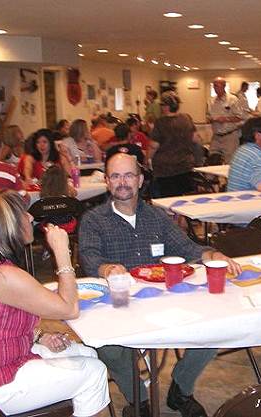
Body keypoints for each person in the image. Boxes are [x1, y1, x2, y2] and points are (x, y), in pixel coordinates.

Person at [79, 154, 240, 417]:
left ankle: (181, 389)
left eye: (129, 175)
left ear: (140, 180)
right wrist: (106, 268)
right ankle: (140, 401)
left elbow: (187, 248)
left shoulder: (157, 216)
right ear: (107, 182)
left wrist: (213, 255)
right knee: (107, 345)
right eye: (116, 176)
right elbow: (89, 258)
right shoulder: (93, 220)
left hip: (162, 301)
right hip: (118, 306)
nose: (122, 182)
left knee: (217, 324)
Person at [0, 190, 110, 416]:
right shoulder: (4, 275)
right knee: (94, 372)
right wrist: (62, 253)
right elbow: (70, 308)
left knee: (87, 355)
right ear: (8, 227)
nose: (30, 218)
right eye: (23, 215)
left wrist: (39, 336)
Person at [150, 91, 197, 197]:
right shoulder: (186, 118)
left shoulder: (160, 123)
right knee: (184, 196)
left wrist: (147, 159)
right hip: (185, 165)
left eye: (162, 105)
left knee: (167, 198)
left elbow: (154, 146)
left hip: (165, 168)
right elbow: (195, 139)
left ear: (166, 107)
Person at [227, 117, 261, 192]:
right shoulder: (256, 155)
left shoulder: (242, 149)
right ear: (258, 136)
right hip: (245, 201)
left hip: (234, 198)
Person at [206, 78, 244, 163]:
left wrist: (225, 119)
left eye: (217, 86)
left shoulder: (232, 99)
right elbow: (208, 116)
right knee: (212, 160)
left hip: (230, 136)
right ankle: (212, 176)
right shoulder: (211, 101)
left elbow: (240, 117)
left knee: (230, 162)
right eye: (214, 86)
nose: (216, 88)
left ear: (224, 86)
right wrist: (210, 119)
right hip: (216, 136)